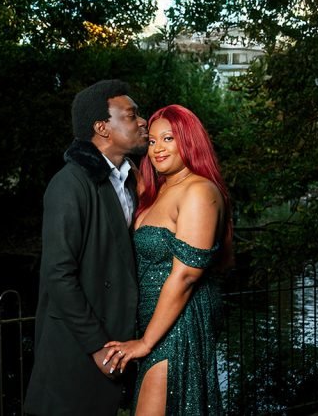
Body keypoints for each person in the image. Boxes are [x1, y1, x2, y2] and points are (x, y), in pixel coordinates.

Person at [24, 79, 149, 416]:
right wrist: (97, 347)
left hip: (122, 342)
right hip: (77, 350)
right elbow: (58, 274)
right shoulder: (70, 183)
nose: (143, 121)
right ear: (102, 127)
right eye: (131, 115)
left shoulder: (130, 181)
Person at [103, 104, 233, 415]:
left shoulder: (199, 191)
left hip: (179, 324)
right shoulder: (160, 190)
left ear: (189, 141)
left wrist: (146, 343)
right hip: (154, 320)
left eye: (169, 139)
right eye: (152, 141)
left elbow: (186, 275)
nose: (158, 148)